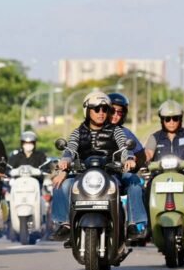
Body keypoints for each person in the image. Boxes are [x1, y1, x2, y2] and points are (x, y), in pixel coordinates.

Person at [49, 92, 134, 242]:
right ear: (87, 111)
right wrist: (64, 164)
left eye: (105, 109)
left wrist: (129, 159)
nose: (101, 113)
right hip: (83, 175)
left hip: (109, 174)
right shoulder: (78, 132)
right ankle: (65, 224)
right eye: (96, 109)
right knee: (60, 185)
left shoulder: (116, 131)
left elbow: (124, 147)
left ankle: (125, 225)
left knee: (129, 184)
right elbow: (70, 150)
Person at [143, 100, 184, 232]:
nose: (171, 122)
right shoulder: (155, 137)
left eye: (175, 118)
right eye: (167, 119)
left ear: (180, 119)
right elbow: (148, 153)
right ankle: (150, 225)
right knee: (146, 192)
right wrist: (143, 159)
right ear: (162, 120)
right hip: (159, 176)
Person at [107, 92, 148, 240]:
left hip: (118, 174)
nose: (115, 115)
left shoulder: (124, 133)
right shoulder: (89, 130)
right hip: (94, 175)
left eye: (120, 112)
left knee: (135, 182)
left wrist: (133, 162)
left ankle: (134, 223)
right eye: (112, 111)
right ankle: (69, 226)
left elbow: (139, 154)